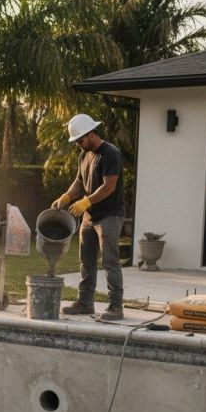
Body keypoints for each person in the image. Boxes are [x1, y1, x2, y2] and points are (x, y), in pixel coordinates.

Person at [52, 114, 126, 321]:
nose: (78, 144)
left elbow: (109, 186)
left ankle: (115, 306)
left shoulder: (110, 154)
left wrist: (86, 202)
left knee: (110, 260)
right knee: (86, 260)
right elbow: (79, 182)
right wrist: (66, 197)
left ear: (92, 133)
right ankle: (85, 303)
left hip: (110, 215)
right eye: (76, 141)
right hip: (89, 217)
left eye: (80, 140)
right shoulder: (84, 156)